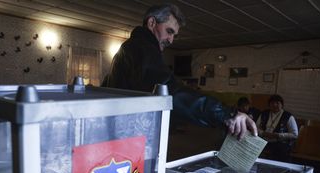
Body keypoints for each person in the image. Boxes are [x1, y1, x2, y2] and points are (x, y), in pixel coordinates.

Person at [102, 4, 256, 139]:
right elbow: (168, 92)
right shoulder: (142, 47)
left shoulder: (128, 48)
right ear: (151, 22)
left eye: (174, 35)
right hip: (130, 138)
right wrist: (226, 115)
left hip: (121, 134)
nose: (171, 40)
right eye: (169, 31)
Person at [256, 94, 298, 161]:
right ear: (269, 105)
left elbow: (295, 134)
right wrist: (262, 133)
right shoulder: (264, 113)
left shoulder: (288, 116)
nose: (275, 105)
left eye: (277, 103)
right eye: (272, 103)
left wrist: (278, 135)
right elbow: (256, 127)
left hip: (280, 143)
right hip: (264, 141)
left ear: (282, 105)